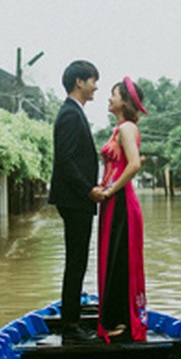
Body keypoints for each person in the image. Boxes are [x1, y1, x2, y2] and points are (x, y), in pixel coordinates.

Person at [48, 60, 105, 343]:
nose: (96, 86)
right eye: (93, 80)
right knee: (76, 260)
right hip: (74, 198)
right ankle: (71, 324)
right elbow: (66, 160)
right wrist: (88, 190)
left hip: (75, 198)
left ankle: (71, 318)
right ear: (79, 82)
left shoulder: (74, 112)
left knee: (77, 259)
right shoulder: (70, 114)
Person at [96, 76, 148, 343]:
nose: (109, 98)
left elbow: (135, 164)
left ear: (125, 102)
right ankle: (116, 318)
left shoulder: (127, 128)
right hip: (112, 200)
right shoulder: (118, 129)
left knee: (119, 260)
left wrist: (110, 190)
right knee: (113, 257)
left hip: (121, 202)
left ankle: (120, 320)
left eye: (114, 94)